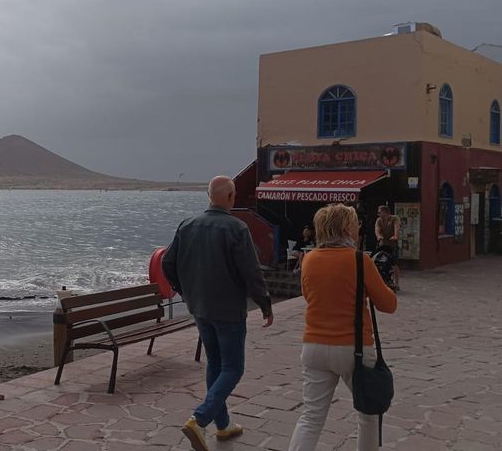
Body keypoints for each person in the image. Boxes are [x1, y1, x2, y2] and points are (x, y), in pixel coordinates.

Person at [162, 175, 274, 451]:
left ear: (208, 196)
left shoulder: (187, 225)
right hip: (228, 310)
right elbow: (251, 272)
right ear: (231, 196)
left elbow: (167, 262)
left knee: (215, 363)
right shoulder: (236, 228)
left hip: (200, 307)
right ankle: (200, 420)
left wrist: (183, 290)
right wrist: (265, 304)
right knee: (233, 367)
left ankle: (222, 426)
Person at [288, 204, 397, 451]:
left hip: (314, 346)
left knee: (311, 416)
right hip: (354, 348)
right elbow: (388, 304)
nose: (358, 228)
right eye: (355, 223)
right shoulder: (360, 260)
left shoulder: (309, 259)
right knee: (368, 416)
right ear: (346, 228)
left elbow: (309, 296)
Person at [374, 205, 401, 290]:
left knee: (394, 263)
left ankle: (397, 283)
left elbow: (397, 227)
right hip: (383, 244)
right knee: (379, 261)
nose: (378, 214)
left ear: (385, 212)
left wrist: (395, 236)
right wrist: (378, 236)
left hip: (392, 244)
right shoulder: (379, 220)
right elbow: (377, 229)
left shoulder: (394, 218)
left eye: (379, 212)